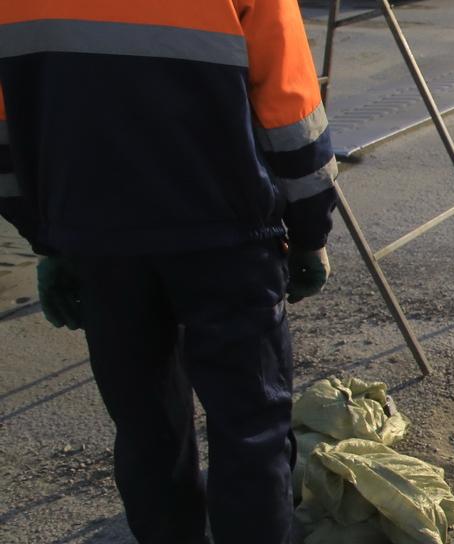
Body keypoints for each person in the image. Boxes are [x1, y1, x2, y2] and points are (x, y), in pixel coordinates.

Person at [0, 1, 336, 542]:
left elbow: (7, 124)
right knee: (250, 429)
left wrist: (47, 238)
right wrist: (310, 231)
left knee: (147, 429)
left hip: (97, 239)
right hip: (225, 236)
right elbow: (289, 109)